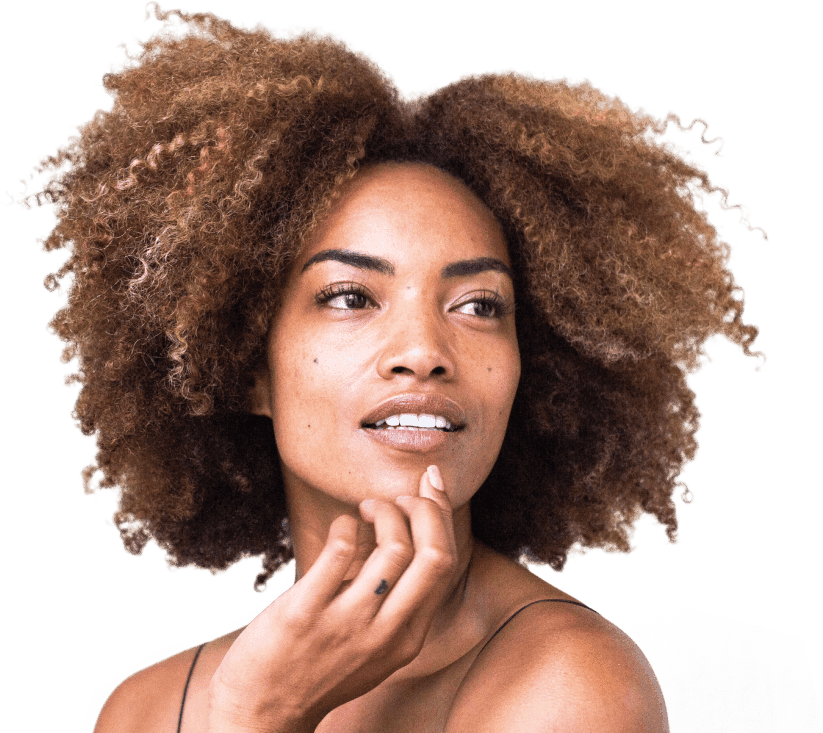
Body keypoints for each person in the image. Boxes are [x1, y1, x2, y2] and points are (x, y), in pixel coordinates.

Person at [8, 3, 767, 731]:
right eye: (349, 296)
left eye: (479, 305)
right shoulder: (145, 708)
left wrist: (258, 721)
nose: (423, 351)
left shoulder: (574, 682)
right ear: (243, 365)